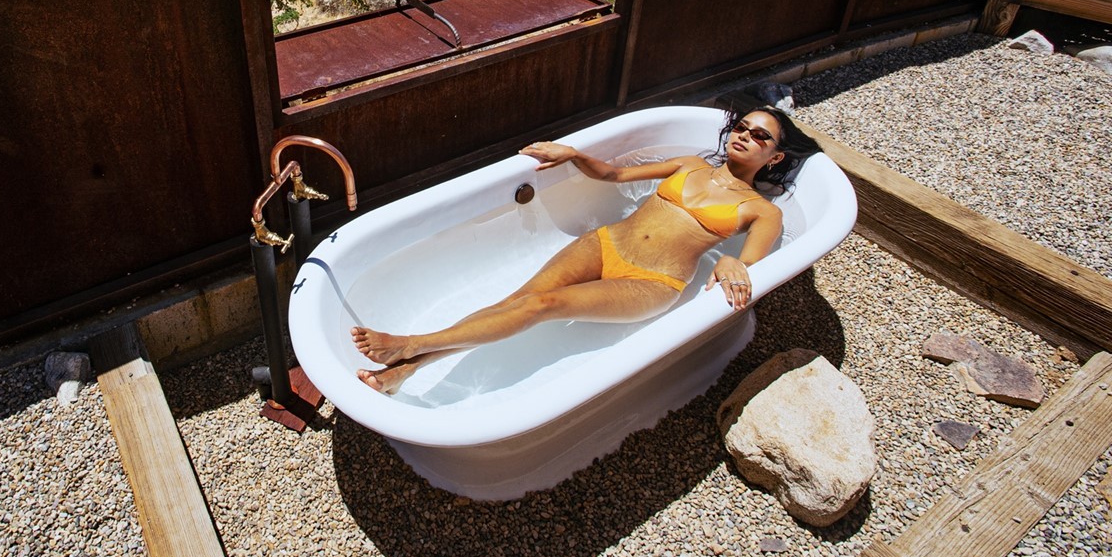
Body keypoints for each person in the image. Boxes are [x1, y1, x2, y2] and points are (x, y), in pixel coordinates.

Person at [351, 107, 820, 394]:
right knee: (512, 303)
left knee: (541, 306)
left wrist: (737, 261)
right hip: (606, 243)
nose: (745, 135)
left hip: (651, 283)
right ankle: (404, 372)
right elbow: (614, 176)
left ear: (775, 157)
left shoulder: (763, 211)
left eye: (761, 136)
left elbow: (750, 265)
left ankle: (412, 345)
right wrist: (573, 154)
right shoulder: (691, 163)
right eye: (743, 126)